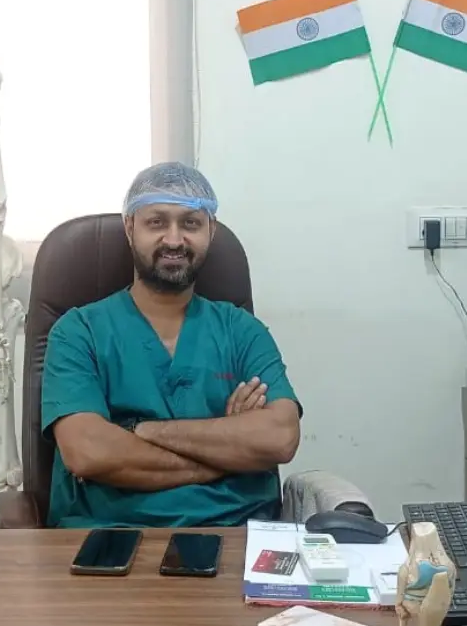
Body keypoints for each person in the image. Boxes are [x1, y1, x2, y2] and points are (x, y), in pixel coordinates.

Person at [41, 162, 301, 528]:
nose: (174, 240)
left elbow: (280, 437)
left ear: (211, 230)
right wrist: (226, 448)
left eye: (190, 223)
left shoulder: (242, 331)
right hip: (108, 538)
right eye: (156, 222)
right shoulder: (78, 332)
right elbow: (88, 451)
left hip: (238, 535)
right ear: (130, 228)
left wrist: (138, 431)